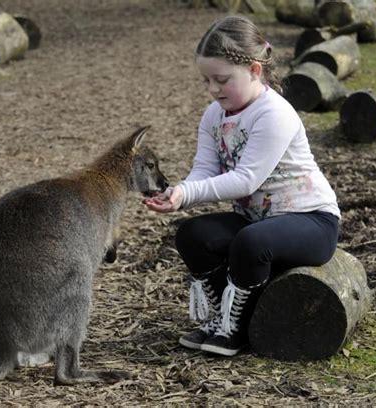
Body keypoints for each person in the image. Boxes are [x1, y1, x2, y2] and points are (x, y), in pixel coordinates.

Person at [144, 15, 340, 357]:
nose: (213, 90)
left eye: (221, 79)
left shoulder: (274, 113)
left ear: (253, 69)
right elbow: (204, 169)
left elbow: (247, 179)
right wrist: (178, 193)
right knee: (192, 234)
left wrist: (189, 193)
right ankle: (223, 315)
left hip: (311, 221)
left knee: (252, 241)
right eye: (206, 80)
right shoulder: (213, 115)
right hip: (257, 220)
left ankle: (239, 327)